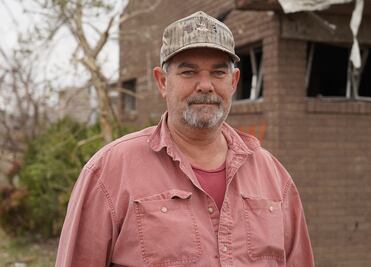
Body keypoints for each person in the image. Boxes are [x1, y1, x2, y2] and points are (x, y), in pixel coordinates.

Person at [56, 11, 314, 267]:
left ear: (234, 81)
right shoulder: (110, 171)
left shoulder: (274, 177)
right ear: (162, 82)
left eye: (218, 73)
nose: (205, 85)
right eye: (189, 72)